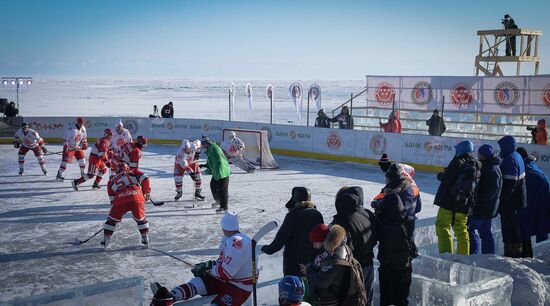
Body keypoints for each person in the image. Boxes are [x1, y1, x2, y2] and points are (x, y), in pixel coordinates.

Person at [150, 212, 253, 305]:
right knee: (197, 283)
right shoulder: (227, 238)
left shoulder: (237, 243)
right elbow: (223, 263)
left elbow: (226, 273)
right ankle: (168, 298)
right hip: (225, 279)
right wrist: (209, 267)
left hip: (240, 286)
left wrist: (208, 268)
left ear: (224, 226)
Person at [262, 187, 324, 276]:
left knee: (293, 288)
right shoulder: (317, 214)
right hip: (312, 264)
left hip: (293, 266)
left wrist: (267, 249)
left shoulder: (292, 216)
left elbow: (280, 240)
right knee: (310, 288)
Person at [372, 185, 417, 306]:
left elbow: (375, 238)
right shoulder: (409, 220)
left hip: (386, 263)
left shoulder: (381, 221)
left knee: (385, 298)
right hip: (404, 264)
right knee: (402, 299)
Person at [434, 140, 481, 255]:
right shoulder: (475, 164)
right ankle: (463, 256)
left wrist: (440, 175)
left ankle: (446, 254)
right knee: (461, 230)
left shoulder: (458, 161)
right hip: (465, 204)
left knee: (442, 226)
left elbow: (448, 179)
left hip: (449, 202)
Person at [331, 187, 376, 306]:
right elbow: (376, 234)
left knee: (354, 300)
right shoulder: (366, 213)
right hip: (369, 264)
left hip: (355, 269)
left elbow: (346, 249)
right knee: (367, 300)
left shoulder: (343, 222)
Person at [305, 224, 366, 305]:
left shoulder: (333, 258)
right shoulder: (338, 249)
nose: (314, 245)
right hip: (333, 297)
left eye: (315, 242)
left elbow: (322, 282)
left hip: (330, 300)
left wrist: (308, 270)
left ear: (323, 241)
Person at [101, 161, 151, 248]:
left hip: (120, 199)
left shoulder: (111, 181)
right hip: (137, 196)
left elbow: (112, 200)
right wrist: (146, 192)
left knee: (111, 220)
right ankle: (145, 236)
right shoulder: (134, 172)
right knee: (140, 219)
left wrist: (115, 214)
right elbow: (145, 179)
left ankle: (106, 238)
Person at [468, 144, 502, 254]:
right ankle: (488, 254)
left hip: (484, 208)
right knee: (485, 232)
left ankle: (475, 253)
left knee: (470, 229)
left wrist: (476, 197)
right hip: (489, 207)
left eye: (480, 154)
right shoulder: (490, 166)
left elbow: (489, 192)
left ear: (485, 155)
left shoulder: (491, 170)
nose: (478, 156)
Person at [374, 162, 421, 240]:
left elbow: (379, 212)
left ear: (388, 179)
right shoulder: (413, 188)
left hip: (391, 233)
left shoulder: (387, 192)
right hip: (409, 229)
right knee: (408, 249)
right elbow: (418, 208)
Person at [516, 147, 550, 258]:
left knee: (524, 224)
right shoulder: (532, 166)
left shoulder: (525, 169)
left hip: (535, 200)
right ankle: (526, 254)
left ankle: (524, 254)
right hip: (543, 199)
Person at [497, 136, 527, 258]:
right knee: (513, 227)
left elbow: (510, 184)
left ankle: (512, 254)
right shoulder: (516, 155)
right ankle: (514, 252)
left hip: (510, 202)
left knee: (510, 228)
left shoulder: (510, 159)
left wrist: (501, 199)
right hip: (518, 199)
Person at [199, 136, 231, 213]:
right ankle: (218, 201)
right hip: (217, 172)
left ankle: (224, 207)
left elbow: (217, 162)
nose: (202, 146)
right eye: (202, 144)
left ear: (207, 143)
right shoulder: (210, 148)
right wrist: (205, 165)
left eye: (203, 143)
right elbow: (211, 160)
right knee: (213, 185)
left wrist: (206, 171)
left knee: (222, 190)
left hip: (222, 171)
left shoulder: (213, 149)